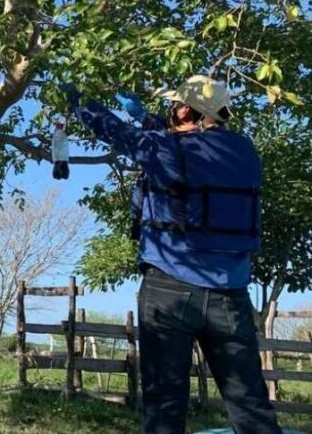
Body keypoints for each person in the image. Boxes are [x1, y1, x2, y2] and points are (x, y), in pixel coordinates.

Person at [62, 76, 281, 434]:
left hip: (170, 290)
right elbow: (186, 147)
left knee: (165, 405)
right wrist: (145, 115)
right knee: (250, 405)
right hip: (232, 298)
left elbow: (113, 131)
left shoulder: (164, 148)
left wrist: (77, 98)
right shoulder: (244, 150)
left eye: (172, 107)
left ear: (183, 110)